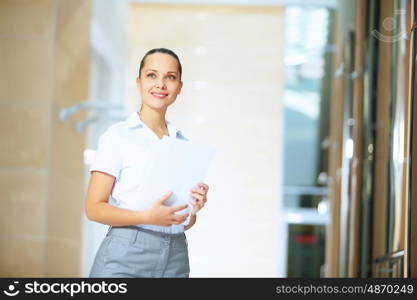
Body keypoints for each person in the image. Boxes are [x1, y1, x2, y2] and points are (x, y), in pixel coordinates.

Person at [85, 48, 209, 278]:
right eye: (152, 75)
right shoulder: (117, 136)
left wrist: (193, 210)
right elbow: (94, 208)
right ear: (139, 81)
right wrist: (145, 217)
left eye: (170, 77)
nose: (160, 84)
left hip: (176, 255)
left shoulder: (183, 143)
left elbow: (182, 220)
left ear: (179, 86)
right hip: (126, 254)